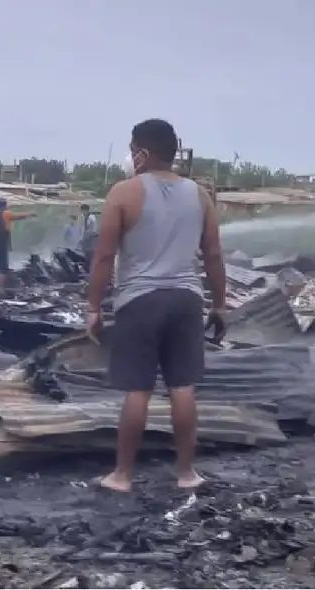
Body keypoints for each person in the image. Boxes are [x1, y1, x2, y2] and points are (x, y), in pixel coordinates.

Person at [85, 118, 227, 493]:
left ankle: (122, 475)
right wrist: (220, 304)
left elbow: (104, 255)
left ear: (143, 153)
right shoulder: (200, 195)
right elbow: (213, 254)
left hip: (139, 300)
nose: (131, 156)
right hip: (186, 300)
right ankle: (186, 473)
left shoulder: (123, 193)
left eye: (133, 150)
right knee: (183, 386)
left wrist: (94, 307)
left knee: (138, 390)